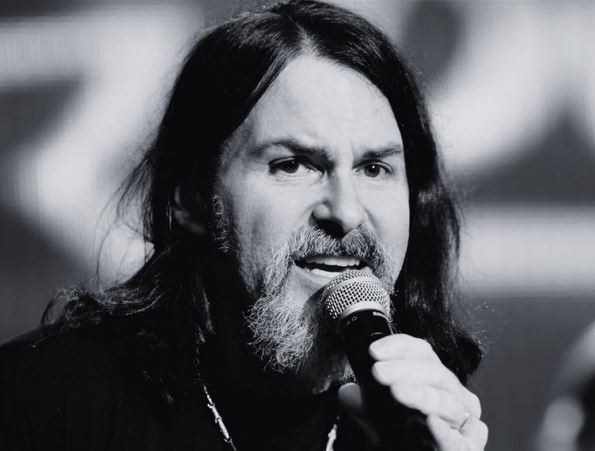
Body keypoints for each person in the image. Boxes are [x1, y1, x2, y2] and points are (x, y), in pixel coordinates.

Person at [0, 1, 488, 450]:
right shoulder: (41, 402)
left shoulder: (415, 426)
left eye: (374, 169)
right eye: (293, 165)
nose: (346, 211)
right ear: (192, 197)